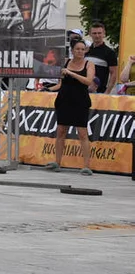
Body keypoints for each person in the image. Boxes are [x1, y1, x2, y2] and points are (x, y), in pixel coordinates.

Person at [44, 38, 95, 175]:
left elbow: (88, 81)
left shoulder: (89, 64)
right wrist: (49, 89)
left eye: (82, 49)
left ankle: (86, 165)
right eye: (77, 49)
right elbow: (61, 84)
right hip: (64, 99)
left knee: (82, 133)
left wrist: (72, 73)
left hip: (80, 101)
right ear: (72, 50)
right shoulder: (65, 63)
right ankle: (57, 162)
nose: (80, 51)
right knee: (61, 131)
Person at [85, 22, 117, 94]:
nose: (97, 35)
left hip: (100, 92)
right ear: (90, 34)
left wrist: (107, 92)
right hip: (82, 91)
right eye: (94, 33)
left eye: (99, 33)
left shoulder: (110, 53)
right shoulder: (85, 50)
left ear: (104, 33)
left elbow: (113, 74)